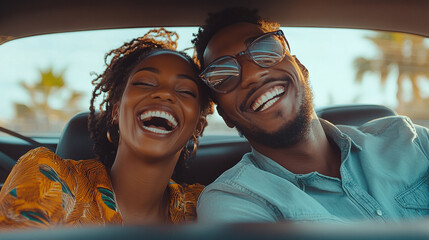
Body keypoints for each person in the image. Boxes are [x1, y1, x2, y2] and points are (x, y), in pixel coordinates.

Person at [193, 8, 429, 223]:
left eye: (265, 48)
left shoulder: (409, 139)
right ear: (225, 115)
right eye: (221, 75)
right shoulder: (235, 200)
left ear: (301, 67)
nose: (252, 74)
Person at [0, 28, 213, 228]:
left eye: (185, 91)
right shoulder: (48, 177)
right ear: (116, 111)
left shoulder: (207, 206)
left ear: (198, 126)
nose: (165, 94)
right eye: (145, 83)